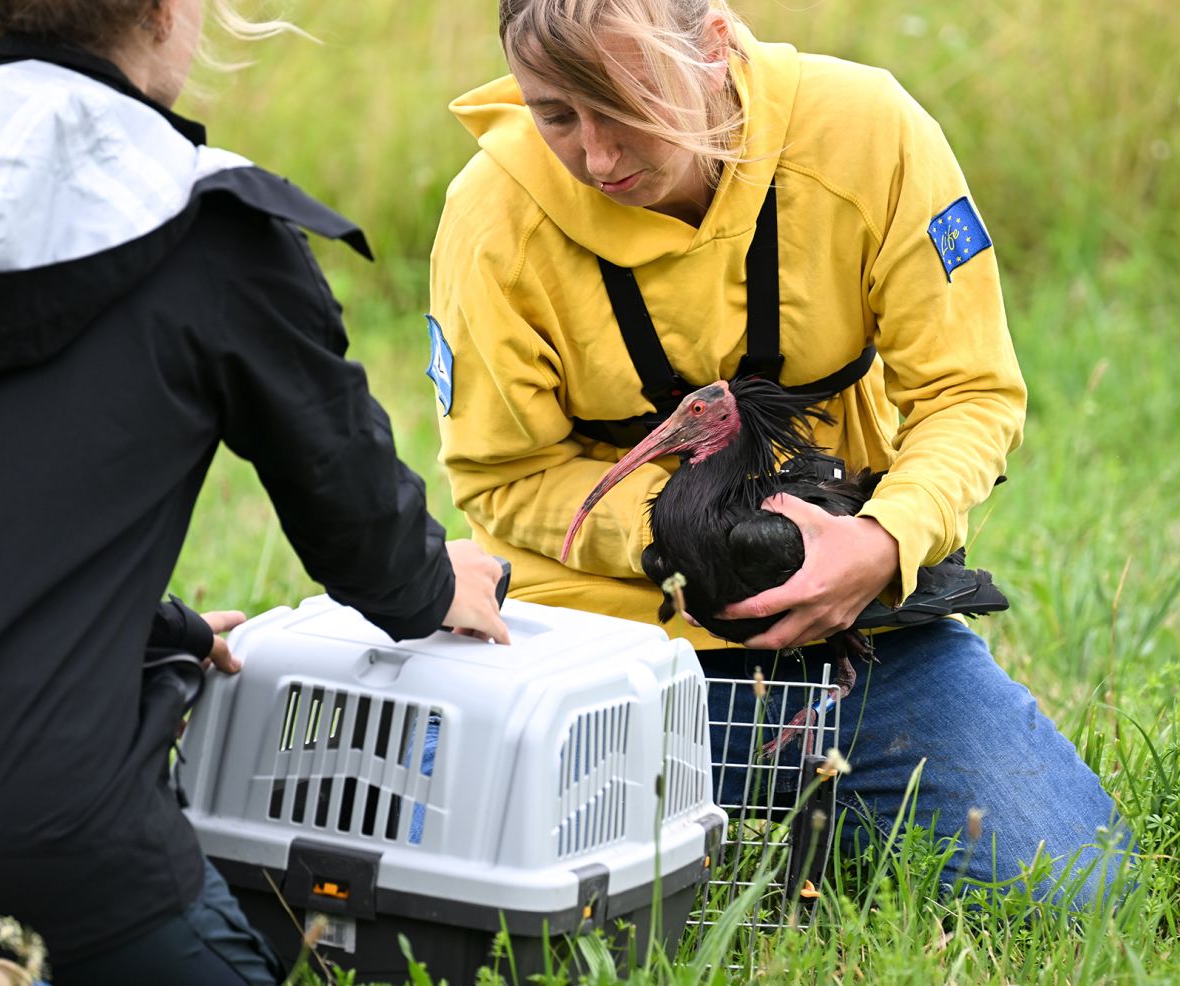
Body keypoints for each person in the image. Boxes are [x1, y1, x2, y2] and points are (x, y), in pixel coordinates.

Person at [429, 0, 1129, 907]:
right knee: (457, 871)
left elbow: (967, 393)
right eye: (556, 114)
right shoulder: (492, 214)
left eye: (627, 103)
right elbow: (503, 475)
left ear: (715, 45)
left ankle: (819, 808)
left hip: (846, 627)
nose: (597, 159)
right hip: (599, 646)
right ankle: (787, 805)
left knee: (1071, 892)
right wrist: (688, 539)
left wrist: (880, 543)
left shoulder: (865, 134)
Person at [0, 0, 510, 982]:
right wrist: (431, 575)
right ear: (169, 10)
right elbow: (358, 524)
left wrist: (145, 626)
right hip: (54, 836)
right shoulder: (206, 223)